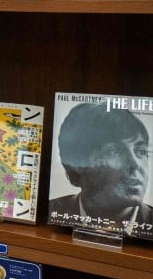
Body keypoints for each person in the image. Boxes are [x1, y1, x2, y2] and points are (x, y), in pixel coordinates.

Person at [49, 101, 153, 236]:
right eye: (115, 151)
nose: (136, 164)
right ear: (78, 163)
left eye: (141, 151)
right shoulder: (53, 211)